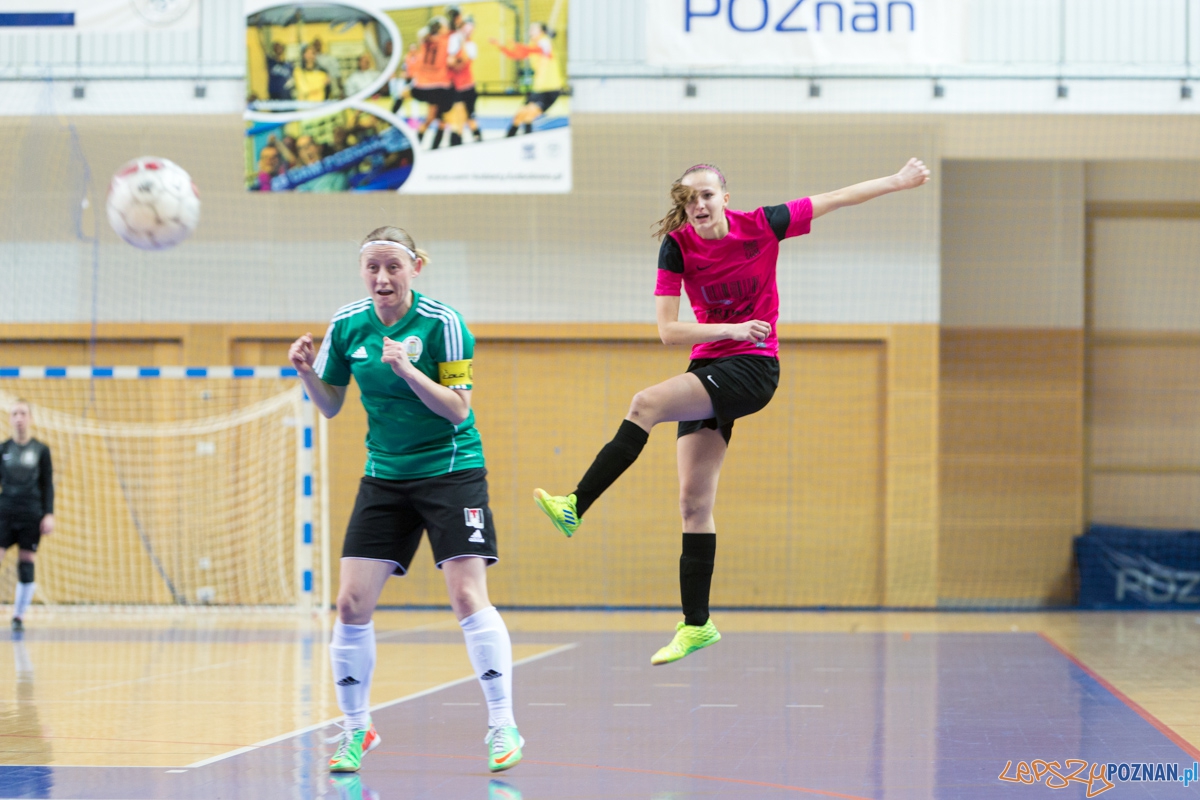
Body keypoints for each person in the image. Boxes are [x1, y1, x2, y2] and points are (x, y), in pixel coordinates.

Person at [533, 159, 931, 665]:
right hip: (711, 365)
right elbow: (667, 331)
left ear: (725, 196)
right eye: (689, 199)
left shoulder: (762, 225)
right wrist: (731, 328)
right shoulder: (676, 247)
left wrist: (898, 181)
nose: (698, 205)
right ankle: (696, 625)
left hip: (753, 369)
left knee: (645, 404)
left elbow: (836, 197)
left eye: (706, 195)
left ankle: (574, 506)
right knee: (693, 504)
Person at [288, 226, 523, 774]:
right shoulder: (347, 324)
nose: (382, 277)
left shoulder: (445, 324)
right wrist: (305, 372)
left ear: (415, 266)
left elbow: (458, 410)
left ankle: (502, 723)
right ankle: (355, 729)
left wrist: (407, 369)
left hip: (451, 470)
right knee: (349, 604)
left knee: (467, 595)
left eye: (393, 266)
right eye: (372, 267)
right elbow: (329, 405)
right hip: (386, 476)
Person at [0, 400, 54, 632]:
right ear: (10, 419)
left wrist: (49, 513)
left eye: (23, 413)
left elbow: (47, 485)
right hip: (5, 513)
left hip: (31, 513)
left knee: (26, 563)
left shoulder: (41, 450)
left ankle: (18, 616)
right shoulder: (3, 449)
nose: (19, 418)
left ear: (30, 418)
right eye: (15, 414)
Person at [492, 22, 563, 137]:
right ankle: (508, 139)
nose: (530, 29)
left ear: (541, 31)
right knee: (519, 116)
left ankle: (525, 139)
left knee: (529, 114)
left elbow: (535, 50)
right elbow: (515, 55)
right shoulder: (532, 44)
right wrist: (500, 46)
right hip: (537, 88)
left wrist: (518, 45)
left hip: (550, 89)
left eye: (534, 28)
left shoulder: (545, 41)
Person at [408, 19, 455, 148]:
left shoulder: (425, 40)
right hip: (439, 84)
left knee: (438, 118)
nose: (447, 28)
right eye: (444, 27)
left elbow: (422, 33)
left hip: (423, 83)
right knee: (434, 119)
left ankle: (423, 145)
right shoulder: (446, 40)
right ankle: (423, 146)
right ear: (439, 29)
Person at [447, 14, 482, 144]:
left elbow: (459, 65)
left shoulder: (471, 46)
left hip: (467, 88)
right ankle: (456, 147)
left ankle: (478, 141)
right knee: (458, 122)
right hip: (457, 88)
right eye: (466, 27)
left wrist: (460, 43)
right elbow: (450, 61)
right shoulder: (453, 41)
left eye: (471, 27)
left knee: (470, 120)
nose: (469, 30)